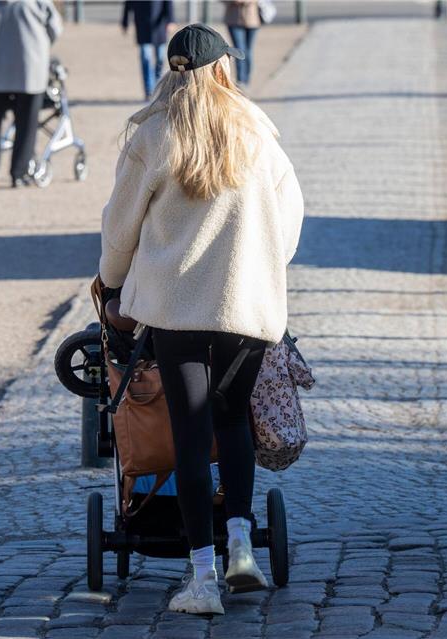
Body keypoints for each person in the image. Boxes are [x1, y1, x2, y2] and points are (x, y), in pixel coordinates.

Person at [98, 24, 304, 615]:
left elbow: (120, 229)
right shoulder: (258, 132)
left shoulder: (153, 137)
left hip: (176, 308)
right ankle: (241, 545)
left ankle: (201, 580)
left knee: (191, 436)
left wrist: (112, 286)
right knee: (233, 422)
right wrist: (263, 263)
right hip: (246, 307)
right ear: (222, 70)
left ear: (172, 71)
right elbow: (290, 218)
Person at [0, 0, 63, 187]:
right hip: (30, 67)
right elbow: (55, 28)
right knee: (27, 123)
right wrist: (40, 44)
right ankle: (18, 173)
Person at [121, 1, 176, 100]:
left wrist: (171, 20)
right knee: (146, 57)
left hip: (159, 27)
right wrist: (125, 22)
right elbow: (128, 4)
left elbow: (168, 3)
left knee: (160, 58)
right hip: (142, 26)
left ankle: (158, 87)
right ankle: (149, 90)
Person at [223, 0, 261, 87]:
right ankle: (240, 80)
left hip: (251, 19)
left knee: (248, 51)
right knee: (239, 50)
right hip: (233, 19)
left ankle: (246, 79)